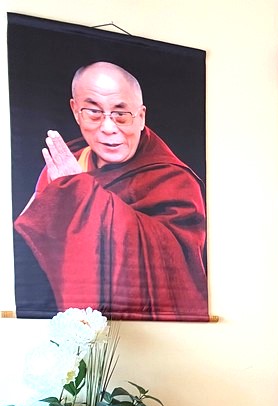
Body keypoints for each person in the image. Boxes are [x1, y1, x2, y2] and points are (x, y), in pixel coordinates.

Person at [14, 61, 208, 321]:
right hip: (70, 328)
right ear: (76, 111)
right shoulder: (65, 164)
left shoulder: (172, 180)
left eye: (121, 114)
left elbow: (180, 272)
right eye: (93, 112)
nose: (108, 128)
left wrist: (79, 193)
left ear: (141, 117)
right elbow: (31, 251)